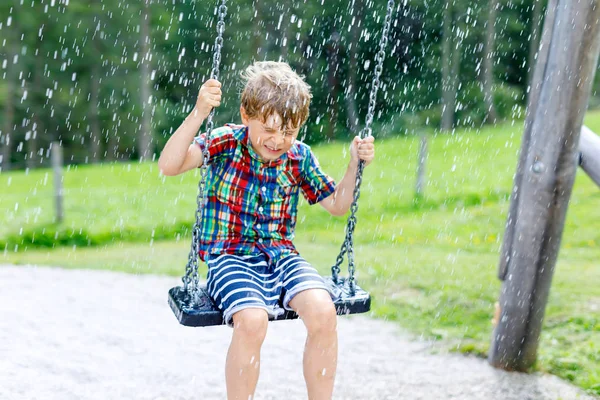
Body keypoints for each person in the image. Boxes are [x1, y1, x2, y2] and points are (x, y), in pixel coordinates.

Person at [157, 61, 375, 400]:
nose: (278, 140)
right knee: (253, 320)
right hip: (229, 258)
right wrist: (199, 113)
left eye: (288, 132)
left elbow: (337, 204)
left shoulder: (299, 157)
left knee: (324, 312)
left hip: (281, 256)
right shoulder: (226, 142)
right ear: (247, 114)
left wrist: (353, 164)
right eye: (270, 129)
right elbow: (168, 165)